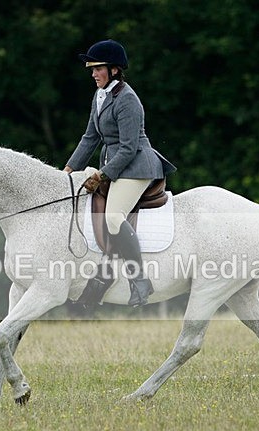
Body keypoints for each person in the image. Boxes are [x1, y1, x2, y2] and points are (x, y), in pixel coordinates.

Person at [63, 39, 176, 307]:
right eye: (91, 69)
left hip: (137, 166)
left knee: (113, 217)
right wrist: (67, 170)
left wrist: (102, 175)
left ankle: (140, 280)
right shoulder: (101, 96)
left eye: (97, 69)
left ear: (114, 70)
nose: (92, 74)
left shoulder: (127, 100)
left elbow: (127, 148)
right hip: (116, 163)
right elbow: (89, 137)